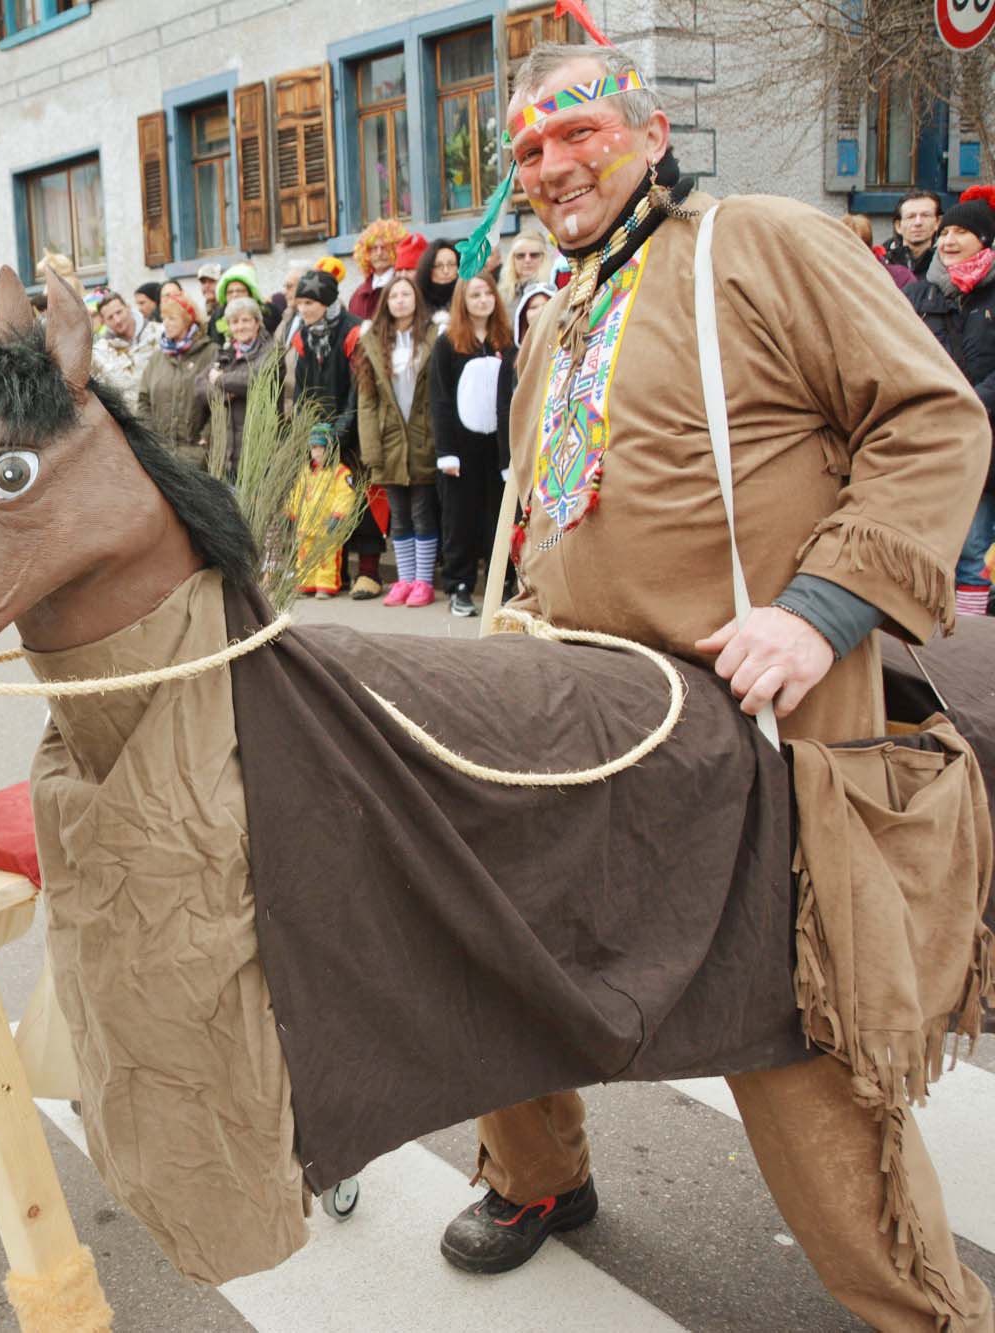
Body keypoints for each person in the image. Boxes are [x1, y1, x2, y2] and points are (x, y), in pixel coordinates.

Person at [464, 41, 995, 1333]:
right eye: (527, 152)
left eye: (575, 132)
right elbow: (555, 517)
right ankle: (538, 1179)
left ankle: (920, 1309)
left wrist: (819, 615)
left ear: (646, 130)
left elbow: (933, 421)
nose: (551, 166)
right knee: (503, 943)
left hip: (758, 731)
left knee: (786, 1027)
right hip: (588, 721)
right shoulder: (561, 310)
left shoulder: (758, 242)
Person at [904, 190, 995, 618]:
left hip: (987, 438)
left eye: (961, 232)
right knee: (934, 549)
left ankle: (974, 648)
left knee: (975, 549)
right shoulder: (924, 295)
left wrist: (972, 402)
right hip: (938, 439)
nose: (948, 240)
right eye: (947, 232)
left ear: (985, 239)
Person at [280, 267, 379, 595]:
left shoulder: (354, 332)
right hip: (320, 435)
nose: (303, 309)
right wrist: (311, 433)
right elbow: (304, 389)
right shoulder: (302, 335)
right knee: (323, 505)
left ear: (326, 301)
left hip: (351, 430)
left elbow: (359, 387)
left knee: (359, 498)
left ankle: (369, 571)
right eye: (299, 303)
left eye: (309, 302)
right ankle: (334, 572)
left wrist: (341, 432)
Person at [428, 274, 515, 617]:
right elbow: (440, 400)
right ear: (463, 301)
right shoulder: (448, 342)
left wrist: (510, 452)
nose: (482, 300)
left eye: (487, 294)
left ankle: (505, 582)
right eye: (475, 295)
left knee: (500, 517)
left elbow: (511, 396)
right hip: (460, 447)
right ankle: (459, 585)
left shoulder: (505, 340)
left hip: (496, 446)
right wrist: (445, 451)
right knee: (460, 518)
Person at [354, 275, 440, 607]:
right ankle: (404, 579)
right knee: (398, 514)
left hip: (422, 435)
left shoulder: (433, 335)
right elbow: (367, 400)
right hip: (389, 439)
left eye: (407, 294)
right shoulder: (374, 341)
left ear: (416, 299)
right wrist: (371, 448)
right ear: (386, 303)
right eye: (394, 296)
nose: (401, 300)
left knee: (422, 511)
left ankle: (423, 581)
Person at [195, 295, 274, 482]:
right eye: (234, 322)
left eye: (245, 320)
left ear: (257, 322)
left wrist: (221, 379)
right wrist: (223, 396)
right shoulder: (225, 352)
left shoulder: (272, 350)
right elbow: (199, 387)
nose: (240, 327)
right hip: (226, 454)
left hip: (257, 450)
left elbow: (254, 379)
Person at [135, 289, 216, 469]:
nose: (166, 324)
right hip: (161, 455)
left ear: (188, 320)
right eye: (164, 319)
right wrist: (150, 438)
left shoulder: (210, 353)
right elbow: (143, 400)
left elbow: (219, 401)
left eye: (172, 318)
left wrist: (207, 437)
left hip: (197, 456)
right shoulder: (158, 357)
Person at [287, 432, 361, 596]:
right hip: (306, 524)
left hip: (326, 524)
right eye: (314, 448)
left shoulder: (340, 472)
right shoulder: (305, 472)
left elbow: (345, 495)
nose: (317, 452)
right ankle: (306, 583)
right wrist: (291, 512)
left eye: (322, 448)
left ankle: (325, 585)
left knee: (326, 557)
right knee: (304, 557)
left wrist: (338, 515)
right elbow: (297, 493)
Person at [90, 289, 160, 398]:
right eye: (110, 317)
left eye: (119, 312)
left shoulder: (158, 333)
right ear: (103, 321)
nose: (117, 320)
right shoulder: (101, 353)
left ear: (128, 308)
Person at [347, 217, 410, 321]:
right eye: (373, 248)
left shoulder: (405, 287)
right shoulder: (357, 295)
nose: (379, 253)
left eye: (384, 247)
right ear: (365, 253)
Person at [881, 188, 941, 277]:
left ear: (937, 222)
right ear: (898, 226)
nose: (918, 222)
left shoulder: (947, 263)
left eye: (925, 215)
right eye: (910, 217)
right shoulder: (880, 262)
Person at [497, 229, 552, 306]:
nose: (527, 260)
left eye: (534, 255)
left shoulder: (554, 291)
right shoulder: (501, 295)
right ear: (512, 259)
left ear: (544, 257)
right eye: (520, 255)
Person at [416, 240, 460, 328]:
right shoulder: (417, 301)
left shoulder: (465, 298)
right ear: (428, 268)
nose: (446, 271)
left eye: (451, 264)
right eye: (439, 265)